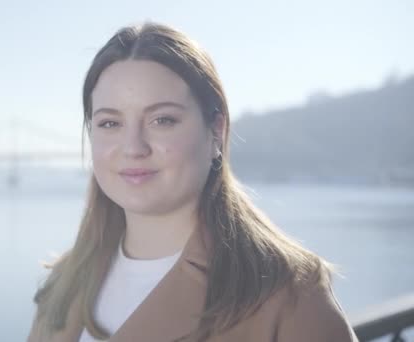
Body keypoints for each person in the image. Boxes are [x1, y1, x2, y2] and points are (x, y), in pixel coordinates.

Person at [27, 21, 358, 342]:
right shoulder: (64, 282)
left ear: (216, 130)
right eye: (110, 123)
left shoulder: (288, 294)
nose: (133, 148)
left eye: (162, 120)